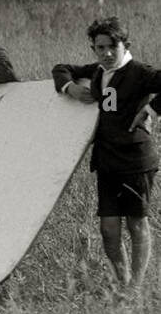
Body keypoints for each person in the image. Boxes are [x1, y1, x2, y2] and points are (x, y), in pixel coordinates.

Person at [52, 17, 161, 290]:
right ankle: (122, 283)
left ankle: (134, 289)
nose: (107, 53)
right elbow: (61, 68)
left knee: (136, 224)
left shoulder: (140, 72)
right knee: (108, 230)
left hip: (136, 160)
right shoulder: (98, 70)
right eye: (99, 47)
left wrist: (152, 109)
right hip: (107, 161)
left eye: (113, 46)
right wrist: (71, 87)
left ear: (126, 45)